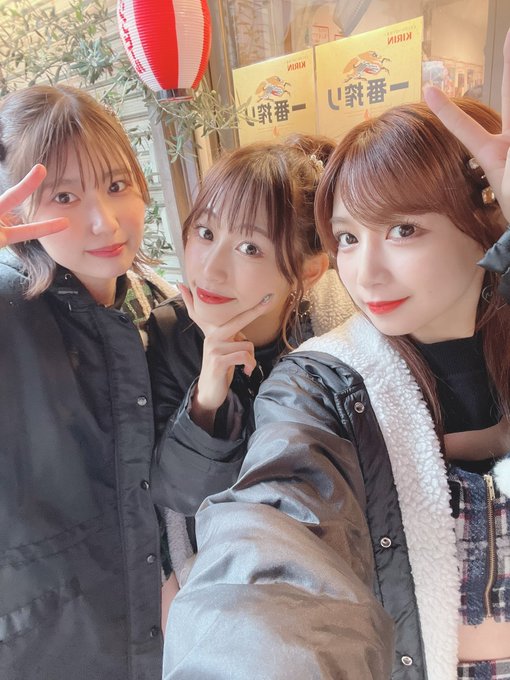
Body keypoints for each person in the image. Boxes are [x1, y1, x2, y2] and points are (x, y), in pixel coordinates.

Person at [162, 32, 510, 680]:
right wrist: (212, 386)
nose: (367, 271)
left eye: (403, 229)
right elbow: (273, 529)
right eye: (348, 236)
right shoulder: (322, 381)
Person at [0, 84, 175, 680]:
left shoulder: (154, 304)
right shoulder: (10, 307)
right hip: (49, 647)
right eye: (65, 196)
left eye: (117, 184)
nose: (104, 221)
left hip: (151, 630)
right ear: (16, 211)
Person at [146, 136, 355, 599]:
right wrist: (209, 395)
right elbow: (178, 494)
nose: (211, 268)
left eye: (250, 247)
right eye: (206, 233)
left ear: (308, 272)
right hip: (222, 587)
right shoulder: (168, 333)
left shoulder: (333, 338)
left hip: (322, 582)